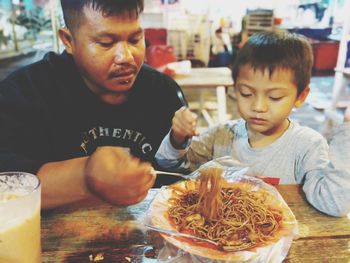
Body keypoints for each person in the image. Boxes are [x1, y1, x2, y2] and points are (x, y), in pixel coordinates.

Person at [0, 0, 186, 209]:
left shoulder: (163, 93)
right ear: (68, 40)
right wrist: (85, 176)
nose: (126, 57)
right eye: (106, 43)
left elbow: (178, 175)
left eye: (135, 39)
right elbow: (7, 185)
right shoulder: (25, 93)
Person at [156, 31, 350, 217]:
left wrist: (347, 133)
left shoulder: (307, 146)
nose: (258, 106)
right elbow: (169, 164)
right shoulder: (221, 136)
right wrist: (177, 138)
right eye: (246, 94)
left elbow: (334, 203)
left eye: (275, 97)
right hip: (218, 239)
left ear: (301, 96)